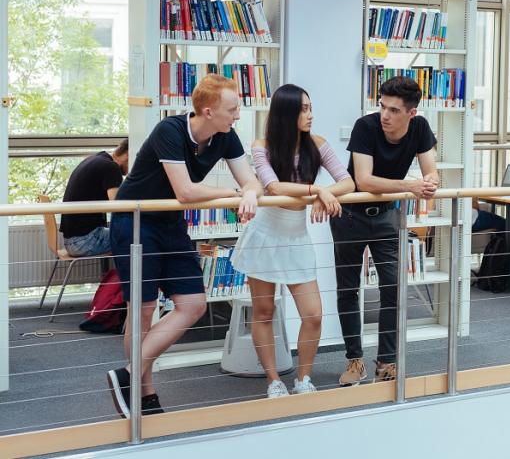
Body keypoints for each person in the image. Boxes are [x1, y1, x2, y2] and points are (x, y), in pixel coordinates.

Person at [105, 74, 262, 419]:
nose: (237, 115)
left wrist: (249, 190)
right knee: (143, 311)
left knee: (193, 304)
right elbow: (186, 192)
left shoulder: (225, 136)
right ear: (208, 111)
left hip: (170, 224)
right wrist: (235, 195)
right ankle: (144, 394)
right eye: (232, 109)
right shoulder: (170, 131)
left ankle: (127, 375)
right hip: (135, 221)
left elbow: (250, 179)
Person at [230, 84, 354, 398]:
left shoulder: (318, 144)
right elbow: (272, 187)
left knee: (313, 313)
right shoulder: (262, 146)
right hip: (265, 235)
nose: (310, 115)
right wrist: (317, 191)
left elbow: (348, 181)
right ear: (286, 113)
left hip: (297, 236)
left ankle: (303, 378)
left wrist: (324, 195)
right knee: (264, 311)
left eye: (311, 108)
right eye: (303, 109)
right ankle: (273, 380)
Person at [331, 75, 438, 386]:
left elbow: (431, 171)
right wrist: (410, 185)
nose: (385, 115)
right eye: (382, 107)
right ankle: (354, 361)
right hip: (349, 217)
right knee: (348, 291)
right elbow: (364, 180)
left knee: (392, 288)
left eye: (393, 110)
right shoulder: (365, 126)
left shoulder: (420, 128)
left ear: (411, 113)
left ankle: (386, 363)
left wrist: (430, 183)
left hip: (386, 218)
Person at [59, 139, 129, 257]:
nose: (129, 172)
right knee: (138, 236)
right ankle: (129, 276)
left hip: (73, 240)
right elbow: (118, 207)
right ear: (128, 155)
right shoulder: (112, 168)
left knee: (128, 233)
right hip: (83, 241)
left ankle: (116, 275)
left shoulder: (96, 159)